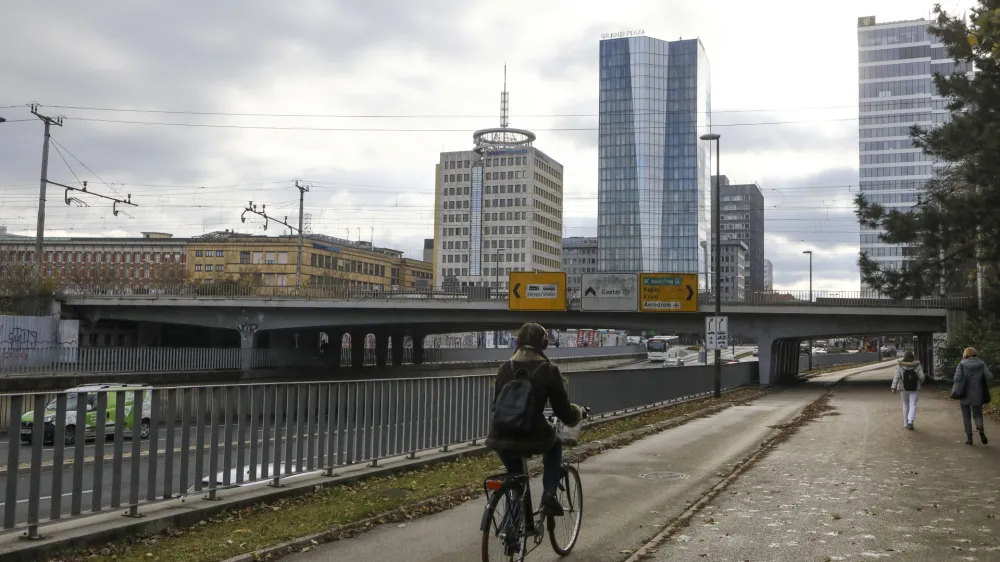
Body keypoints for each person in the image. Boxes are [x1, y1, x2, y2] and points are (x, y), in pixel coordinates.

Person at [485, 322, 583, 516]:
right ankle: (549, 495)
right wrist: (577, 414)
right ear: (544, 344)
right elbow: (563, 411)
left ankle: (514, 522)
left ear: (517, 343)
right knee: (554, 446)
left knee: (516, 477)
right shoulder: (548, 370)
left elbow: (497, 404)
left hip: (500, 435)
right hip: (533, 435)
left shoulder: (505, 368)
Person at [953, 347, 994, 445]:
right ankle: (980, 430)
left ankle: (969, 438)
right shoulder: (981, 363)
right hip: (978, 393)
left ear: (965, 354)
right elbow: (990, 376)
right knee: (977, 414)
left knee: (966, 416)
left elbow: (957, 378)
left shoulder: (962, 364)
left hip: (964, 393)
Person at [890, 350, 925, 430]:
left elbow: (897, 376)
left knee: (905, 404)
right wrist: (920, 382)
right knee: (913, 404)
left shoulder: (900, 365)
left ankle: (905, 423)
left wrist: (893, 387)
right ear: (913, 357)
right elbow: (922, 377)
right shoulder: (917, 365)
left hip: (903, 388)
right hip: (915, 388)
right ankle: (910, 421)